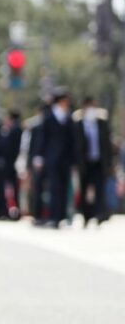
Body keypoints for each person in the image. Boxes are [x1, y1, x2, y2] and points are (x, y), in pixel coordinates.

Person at [36, 89, 74, 228]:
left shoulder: (68, 117)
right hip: (51, 158)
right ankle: (53, 216)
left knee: (64, 188)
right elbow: (43, 138)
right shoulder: (49, 116)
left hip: (65, 159)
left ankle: (62, 216)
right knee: (54, 188)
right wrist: (39, 156)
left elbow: (72, 140)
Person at [73, 97, 113, 226]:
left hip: (98, 162)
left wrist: (110, 163)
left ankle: (100, 214)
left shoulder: (101, 123)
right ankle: (86, 215)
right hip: (85, 163)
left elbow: (107, 144)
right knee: (84, 189)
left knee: (100, 189)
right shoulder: (78, 124)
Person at [0, 110, 24, 219]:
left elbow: (7, 147)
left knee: (11, 189)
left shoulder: (12, 130)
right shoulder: (21, 129)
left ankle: (10, 211)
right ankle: (17, 210)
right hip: (16, 163)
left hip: (11, 163)